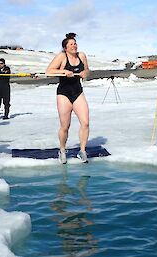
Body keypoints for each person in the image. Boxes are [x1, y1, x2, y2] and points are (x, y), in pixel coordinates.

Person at [46, 33, 90, 164]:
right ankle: (62, 150)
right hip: (64, 93)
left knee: (85, 122)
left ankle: (82, 151)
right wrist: (63, 72)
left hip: (78, 92)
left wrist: (84, 73)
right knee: (65, 126)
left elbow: (88, 70)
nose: (74, 46)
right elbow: (49, 71)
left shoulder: (81, 55)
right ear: (65, 48)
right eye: (71, 44)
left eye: (75, 43)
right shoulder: (61, 56)